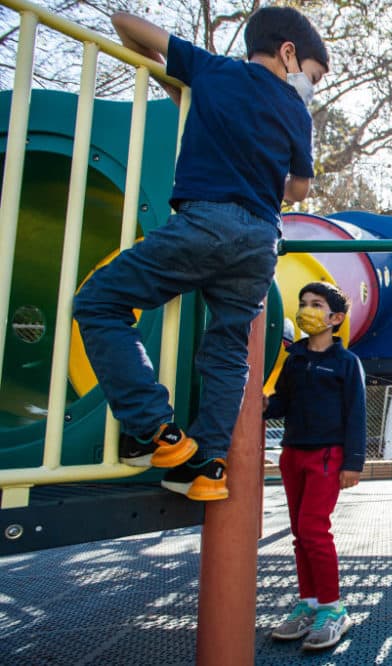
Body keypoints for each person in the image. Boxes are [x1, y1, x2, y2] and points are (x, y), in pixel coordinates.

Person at [73, 7, 328, 501]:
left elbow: (127, 23)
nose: (309, 87)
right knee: (229, 349)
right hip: (260, 243)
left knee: (99, 302)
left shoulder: (213, 70)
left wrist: (180, 79)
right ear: (288, 53)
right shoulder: (296, 111)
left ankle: (155, 430)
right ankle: (205, 465)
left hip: (206, 222)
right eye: (312, 76)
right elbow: (298, 191)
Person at [263, 281, 365, 651]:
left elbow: (356, 414)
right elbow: (282, 403)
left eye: (317, 304)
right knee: (299, 533)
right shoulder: (296, 359)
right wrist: (263, 407)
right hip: (293, 453)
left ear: (335, 318)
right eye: (303, 302)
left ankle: (333, 608)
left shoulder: (346, 363)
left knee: (313, 529)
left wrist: (353, 462)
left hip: (327, 455)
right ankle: (309, 603)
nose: (307, 309)